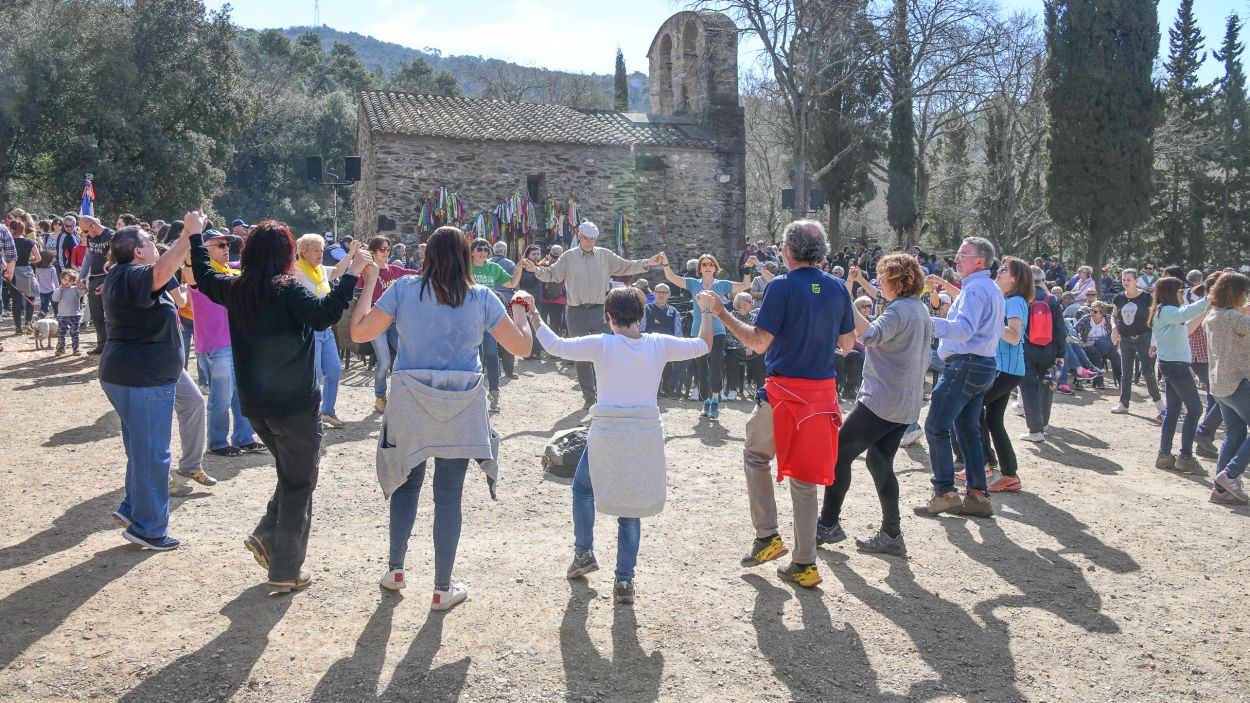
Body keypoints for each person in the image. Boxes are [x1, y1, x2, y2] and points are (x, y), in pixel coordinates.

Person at [350, 226, 535, 610]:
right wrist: (521, 310)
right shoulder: (481, 297)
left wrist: (369, 282)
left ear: (427, 255)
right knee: (448, 495)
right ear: (466, 256)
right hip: (460, 403)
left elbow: (360, 331)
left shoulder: (403, 290)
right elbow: (521, 347)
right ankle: (442, 588)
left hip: (411, 400)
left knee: (406, 486)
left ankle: (396, 569)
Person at [190, 214, 368, 592]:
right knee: (300, 482)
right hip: (294, 407)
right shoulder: (287, 289)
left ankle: (267, 535)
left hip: (257, 406)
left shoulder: (236, 288)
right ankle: (285, 570)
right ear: (287, 254)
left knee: (293, 475)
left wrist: (193, 236)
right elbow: (324, 315)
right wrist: (353, 275)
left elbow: (203, 276)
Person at [534, 286, 713, 604]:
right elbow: (703, 345)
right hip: (644, 435)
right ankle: (625, 581)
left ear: (608, 317)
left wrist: (533, 313)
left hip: (607, 432)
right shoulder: (658, 344)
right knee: (631, 511)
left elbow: (555, 345)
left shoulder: (602, 344)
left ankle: (583, 552)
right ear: (642, 316)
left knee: (583, 490)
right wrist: (708, 311)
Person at [709, 220, 855, 589]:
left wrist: (721, 313)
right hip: (822, 396)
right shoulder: (837, 287)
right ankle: (805, 564)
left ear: (788, 250)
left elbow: (758, 343)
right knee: (805, 481)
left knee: (755, 456)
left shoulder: (781, 286)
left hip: (785, 394)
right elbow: (849, 344)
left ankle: (767, 537)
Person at [815, 253, 934, 556]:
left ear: (897, 280)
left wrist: (845, 300)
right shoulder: (918, 308)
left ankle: (827, 523)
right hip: (905, 402)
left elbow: (869, 336)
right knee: (879, 462)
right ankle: (891, 534)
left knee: (838, 453)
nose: (879, 281)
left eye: (883, 276)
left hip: (883, 400)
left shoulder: (900, 310)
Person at [100, 224, 191, 551]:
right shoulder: (132, 273)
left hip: (131, 374)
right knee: (153, 455)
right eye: (150, 241)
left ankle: (132, 509)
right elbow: (162, 272)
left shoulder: (123, 274)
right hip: (142, 378)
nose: (154, 245)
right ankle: (149, 529)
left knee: (140, 450)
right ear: (137, 251)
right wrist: (187, 235)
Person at [523, 221, 663, 405]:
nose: (590, 242)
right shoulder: (568, 256)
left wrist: (648, 263)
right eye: (587, 238)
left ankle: (605, 394)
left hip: (600, 310)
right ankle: (589, 397)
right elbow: (552, 274)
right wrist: (535, 269)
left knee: (606, 353)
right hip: (576, 311)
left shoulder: (605, 255)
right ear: (579, 236)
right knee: (579, 355)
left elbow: (627, 266)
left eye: (593, 239)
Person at [921, 237, 1004, 517]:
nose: (956, 259)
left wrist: (926, 322)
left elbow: (964, 330)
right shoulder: (989, 288)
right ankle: (978, 496)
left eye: (962, 254)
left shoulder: (975, 290)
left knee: (935, 426)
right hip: (982, 364)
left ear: (980, 261)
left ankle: (944, 492)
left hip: (965, 365)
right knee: (968, 431)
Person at [183, 229, 266, 458]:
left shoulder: (231, 270)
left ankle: (244, 437)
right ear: (204, 251)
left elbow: (254, 265)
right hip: (217, 345)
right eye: (220, 245)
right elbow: (190, 273)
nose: (226, 248)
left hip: (236, 342)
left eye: (227, 244)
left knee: (241, 394)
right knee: (221, 397)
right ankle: (217, 441)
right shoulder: (200, 274)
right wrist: (191, 251)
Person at [660, 252, 760, 418]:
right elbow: (671, 277)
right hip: (698, 332)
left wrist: (747, 269)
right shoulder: (693, 283)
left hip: (718, 331)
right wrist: (665, 262)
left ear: (715, 268)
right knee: (701, 368)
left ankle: (714, 401)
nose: (707, 266)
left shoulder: (722, 285)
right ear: (700, 268)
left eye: (710, 264)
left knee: (715, 365)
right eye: (704, 264)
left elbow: (745, 285)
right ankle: (705, 401)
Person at [294, 233, 357, 428]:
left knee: (334, 370)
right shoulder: (295, 272)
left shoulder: (320, 269)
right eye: (316, 250)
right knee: (313, 375)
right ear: (303, 252)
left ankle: (328, 412)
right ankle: (311, 415)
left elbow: (337, 271)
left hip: (326, 330)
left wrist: (351, 254)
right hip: (309, 331)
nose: (320, 254)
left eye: (321, 250)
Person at [1151, 276, 1210, 474]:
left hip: (1172, 365)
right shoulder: (1168, 311)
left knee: (1173, 412)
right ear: (1170, 293)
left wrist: (1205, 305)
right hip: (1176, 367)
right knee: (1195, 409)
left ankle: (1164, 455)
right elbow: (1186, 312)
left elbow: (1187, 322)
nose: (1182, 294)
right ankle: (1185, 457)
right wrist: (1209, 298)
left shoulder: (1165, 311)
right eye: (1179, 291)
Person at [982, 258, 1032, 491]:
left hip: (1008, 370)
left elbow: (1013, 336)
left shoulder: (1015, 301)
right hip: (1003, 368)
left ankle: (985, 463)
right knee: (992, 420)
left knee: (972, 407)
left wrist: (992, 322)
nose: (999, 272)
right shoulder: (1006, 300)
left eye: (1004, 270)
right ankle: (1008, 473)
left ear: (1015, 279)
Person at [1203, 272, 1250, 503]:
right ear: (1234, 292)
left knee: (1235, 434)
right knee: (1234, 434)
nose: (1246, 296)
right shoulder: (1236, 318)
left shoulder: (1211, 316)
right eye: (1244, 291)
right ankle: (1230, 475)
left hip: (1219, 384)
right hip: (1238, 383)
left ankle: (1220, 491)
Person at [360, 236, 419, 413]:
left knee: (407, 357)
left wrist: (434, 262)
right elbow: (352, 280)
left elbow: (417, 273)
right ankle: (380, 397)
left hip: (395, 322)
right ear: (373, 252)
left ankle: (403, 395)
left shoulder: (394, 270)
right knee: (384, 362)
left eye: (388, 249)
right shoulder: (367, 271)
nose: (386, 252)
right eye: (382, 249)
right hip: (375, 323)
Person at [469, 238, 525, 411]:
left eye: (486, 249)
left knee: (491, 353)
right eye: (480, 249)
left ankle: (494, 392)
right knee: (475, 355)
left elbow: (512, 283)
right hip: (469, 319)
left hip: (488, 318)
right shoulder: (464, 267)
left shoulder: (493, 267)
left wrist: (519, 267)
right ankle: (473, 394)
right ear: (472, 252)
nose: (483, 252)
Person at [1017, 265, 1066, 443]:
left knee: (1028, 388)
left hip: (1027, 351)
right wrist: (1061, 353)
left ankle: (1035, 430)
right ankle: (1044, 423)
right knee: (1046, 385)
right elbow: (1060, 329)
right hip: (1049, 350)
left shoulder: (1022, 299)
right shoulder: (1052, 300)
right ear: (1042, 280)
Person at [1111, 268, 1163, 415]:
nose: (1126, 282)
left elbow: (1154, 317)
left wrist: (1154, 341)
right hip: (1125, 339)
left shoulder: (1146, 297)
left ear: (1136, 280)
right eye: (1123, 279)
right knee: (1126, 374)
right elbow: (1114, 316)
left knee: (1147, 372)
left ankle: (1159, 404)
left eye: (1129, 279)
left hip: (1144, 337)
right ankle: (1123, 403)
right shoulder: (1119, 297)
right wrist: (1114, 328)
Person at [77, 216, 114, 354]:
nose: (84, 235)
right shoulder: (90, 237)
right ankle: (101, 345)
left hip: (108, 278)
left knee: (110, 315)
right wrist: (81, 277)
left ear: (93, 226)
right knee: (95, 314)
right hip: (94, 277)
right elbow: (88, 258)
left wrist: (107, 281)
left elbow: (117, 260)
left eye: (85, 231)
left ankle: (113, 346)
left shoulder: (111, 236)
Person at [643, 282, 685, 398]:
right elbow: (641, 330)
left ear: (669, 295)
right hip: (651, 343)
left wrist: (679, 345)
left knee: (685, 359)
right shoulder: (646, 309)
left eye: (664, 292)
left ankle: (668, 387)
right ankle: (654, 389)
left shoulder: (674, 311)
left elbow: (678, 332)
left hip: (669, 344)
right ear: (654, 294)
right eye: (659, 292)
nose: (661, 295)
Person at [5, 221, 39, 333]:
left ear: (12, 230)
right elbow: (38, 258)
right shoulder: (30, 242)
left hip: (12, 271)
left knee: (16, 301)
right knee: (31, 297)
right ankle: (28, 322)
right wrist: (29, 261)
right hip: (26, 271)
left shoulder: (8, 242)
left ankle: (18, 328)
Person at [52, 270, 83, 355]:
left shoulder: (75, 289)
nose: (67, 282)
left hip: (75, 314)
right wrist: (60, 289)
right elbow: (55, 299)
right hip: (62, 315)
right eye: (65, 279)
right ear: (61, 279)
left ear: (73, 281)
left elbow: (83, 292)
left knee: (75, 332)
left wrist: (82, 287)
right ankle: (61, 349)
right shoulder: (59, 290)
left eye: (69, 280)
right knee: (61, 333)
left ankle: (76, 348)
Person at [538, 244, 566, 335]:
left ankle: (542, 343)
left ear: (550, 254)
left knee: (542, 325)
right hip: (559, 300)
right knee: (555, 326)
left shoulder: (542, 265)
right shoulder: (564, 267)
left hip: (543, 300)